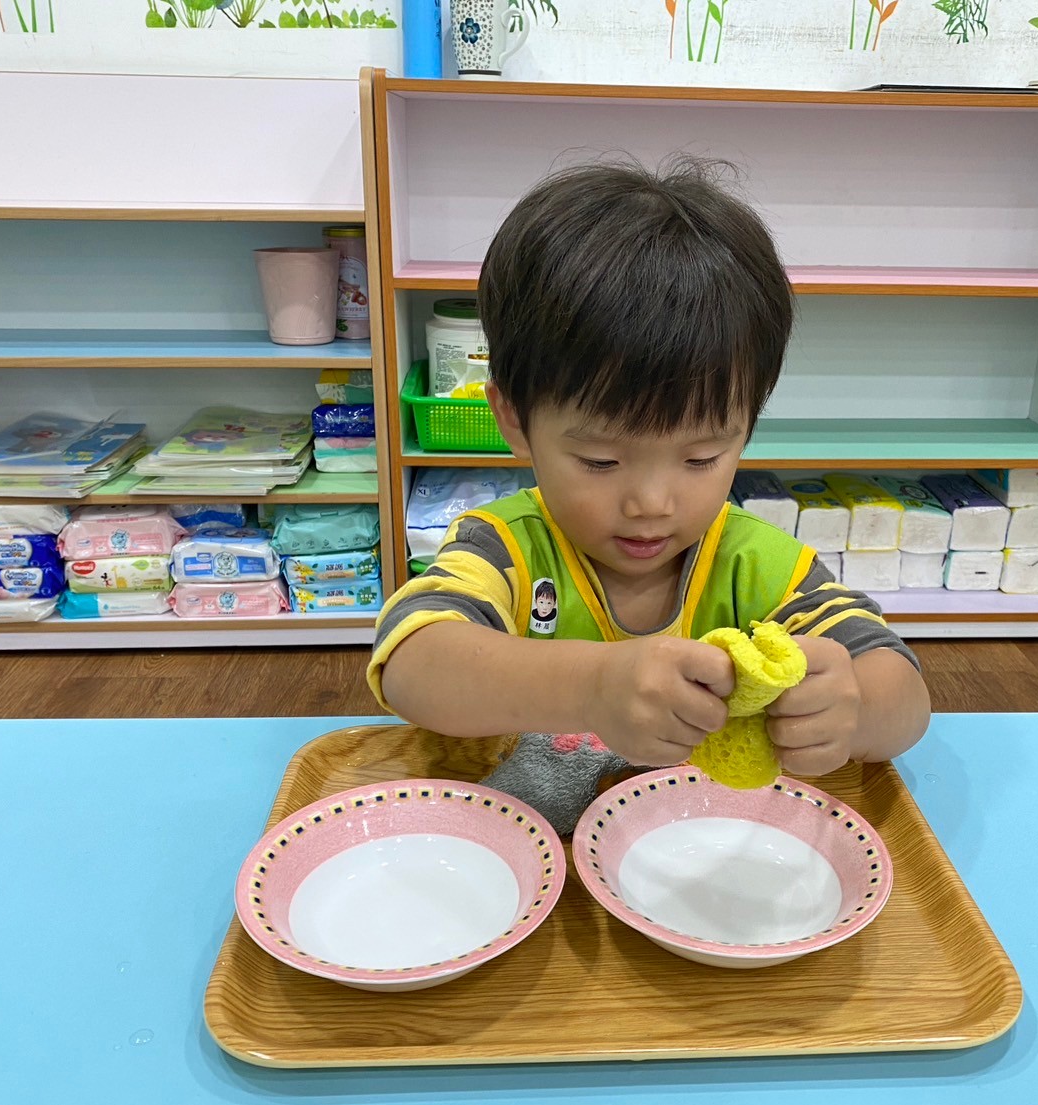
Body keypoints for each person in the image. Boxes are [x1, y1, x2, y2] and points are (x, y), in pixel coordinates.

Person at [367, 158, 931, 830]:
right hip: (530, 875)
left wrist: (850, 706)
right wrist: (593, 686)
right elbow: (412, 662)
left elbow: (903, 696)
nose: (652, 502)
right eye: (601, 459)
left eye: (700, 456)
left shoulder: (764, 569)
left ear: (747, 425)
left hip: (697, 875)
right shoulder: (506, 551)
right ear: (515, 420)